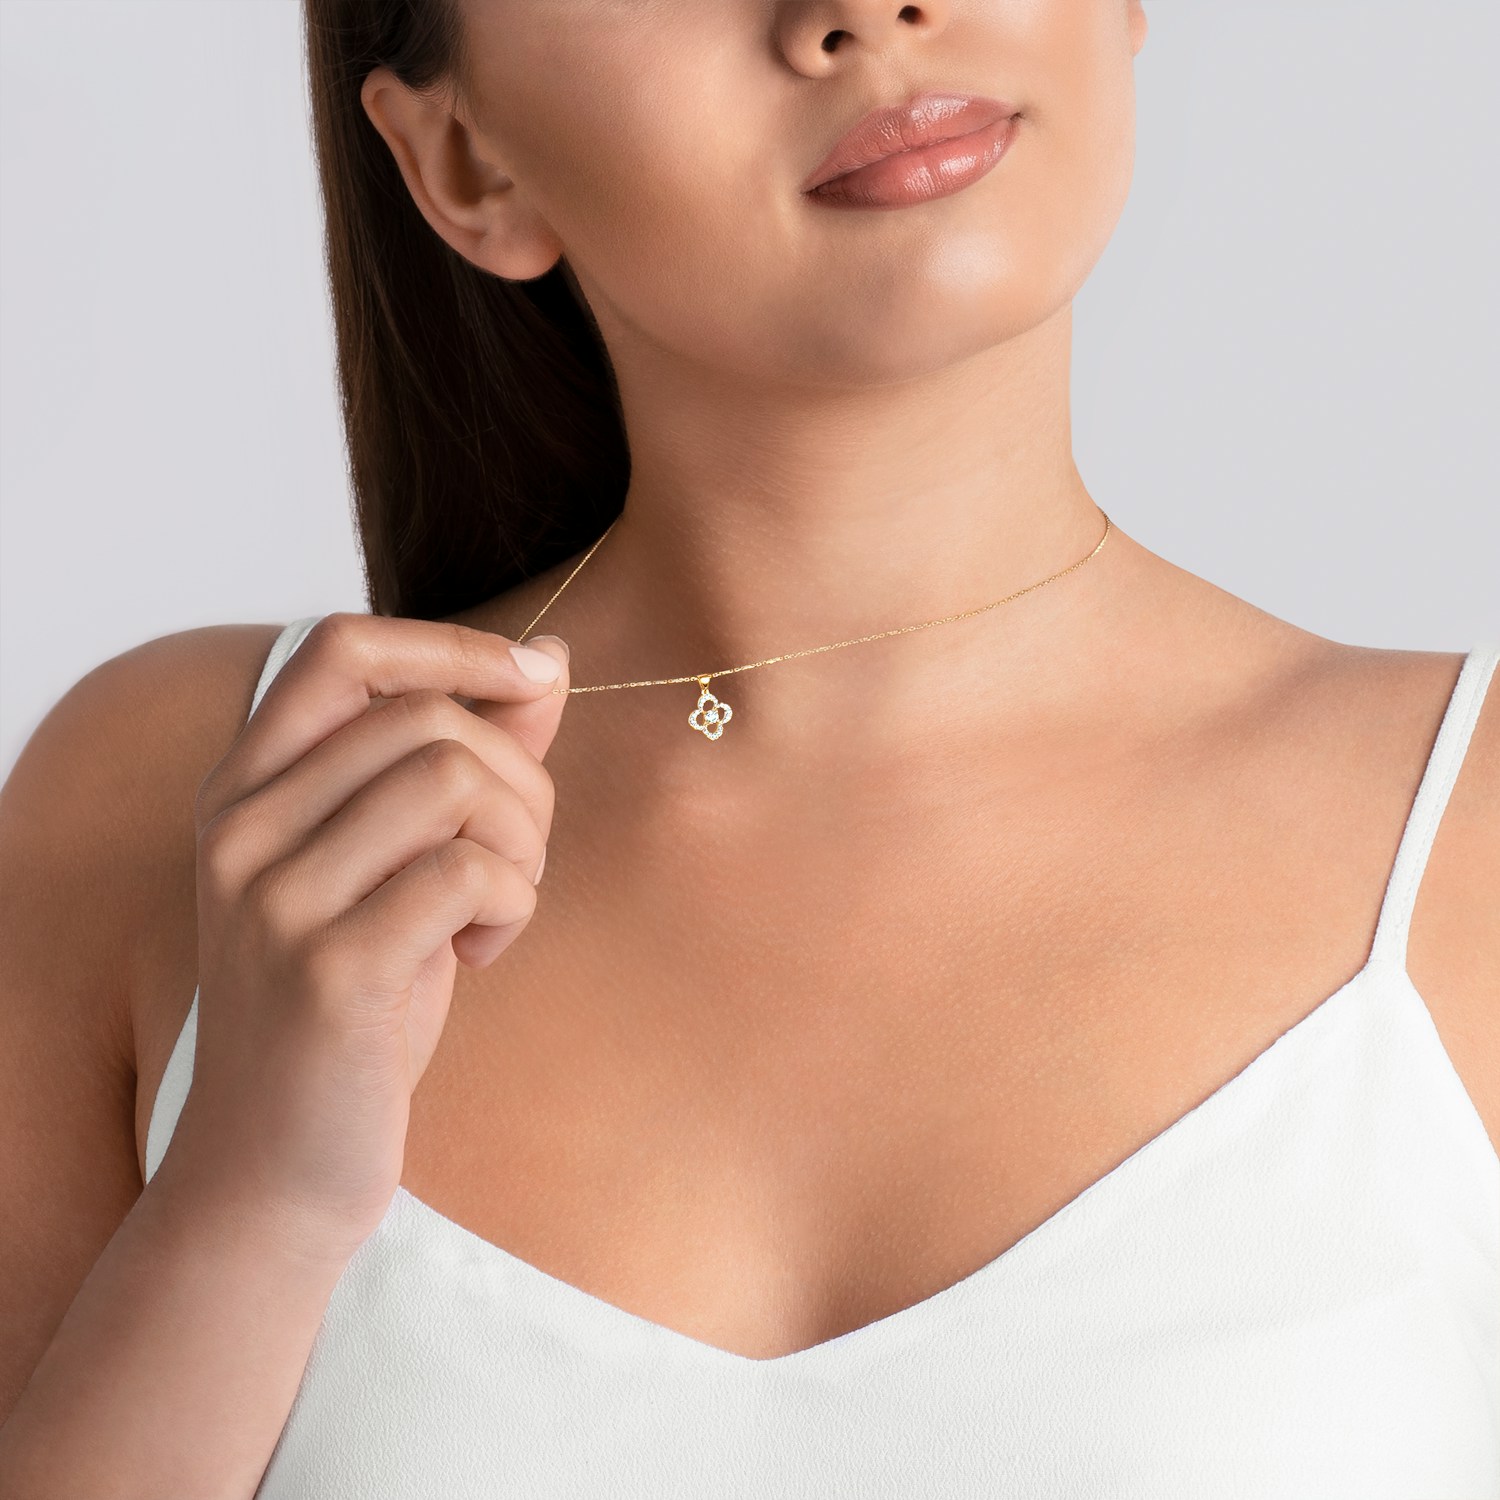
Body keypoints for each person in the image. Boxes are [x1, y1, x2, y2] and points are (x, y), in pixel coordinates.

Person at [1, 0, 1495, 1494]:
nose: (858, 11)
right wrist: (251, 1203)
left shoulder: (1467, 828)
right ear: (466, 163)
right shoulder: (186, 807)